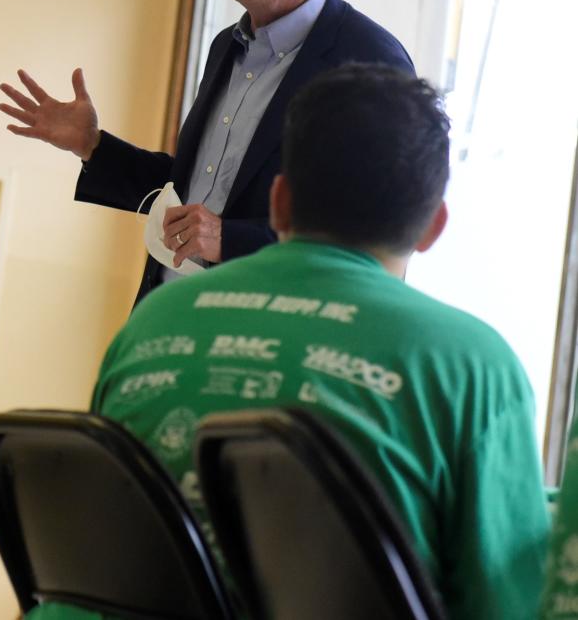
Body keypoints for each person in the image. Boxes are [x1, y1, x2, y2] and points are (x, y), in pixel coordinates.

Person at [30, 67, 546, 620]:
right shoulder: (469, 363)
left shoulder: (154, 322)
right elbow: (507, 601)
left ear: (278, 202)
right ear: (432, 227)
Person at [0, 0, 414, 304]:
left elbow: (373, 241)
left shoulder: (370, 63)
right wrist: (93, 145)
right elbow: (195, 190)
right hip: (172, 314)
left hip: (268, 339)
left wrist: (231, 241)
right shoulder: (227, 46)